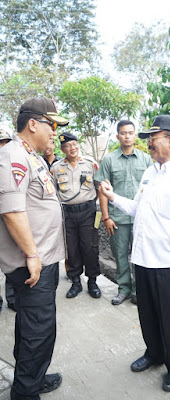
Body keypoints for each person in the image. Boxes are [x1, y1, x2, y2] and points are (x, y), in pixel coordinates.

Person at [99, 115, 170, 392]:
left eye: (152, 139)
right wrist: (112, 197)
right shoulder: (150, 172)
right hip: (144, 259)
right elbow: (137, 208)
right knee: (147, 314)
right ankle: (154, 353)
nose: (147, 145)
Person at [0, 97, 69, 400]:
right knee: (37, 331)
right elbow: (13, 212)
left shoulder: (32, 155)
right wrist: (32, 254)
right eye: (52, 125)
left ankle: (32, 377)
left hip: (42, 260)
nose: (55, 132)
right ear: (33, 124)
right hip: (32, 265)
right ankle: (25, 393)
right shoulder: (13, 156)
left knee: (34, 326)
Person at [94, 120, 151, 305]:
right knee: (120, 256)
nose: (127, 136)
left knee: (141, 256)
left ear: (135, 135)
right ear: (118, 136)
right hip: (117, 218)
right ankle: (124, 289)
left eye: (130, 132)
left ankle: (138, 291)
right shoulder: (109, 160)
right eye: (123, 133)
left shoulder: (146, 159)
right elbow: (103, 191)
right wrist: (106, 217)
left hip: (140, 218)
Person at [51, 131, 101, 299]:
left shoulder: (90, 164)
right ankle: (76, 282)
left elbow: (99, 187)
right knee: (71, 248)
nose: (72, 148)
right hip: (68, 214)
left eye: (74, 144)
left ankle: (92, 281)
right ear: (62, 148)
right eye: (67, 146)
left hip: (88, 212)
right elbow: (54, 193)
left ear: (78, 145)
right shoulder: (56, 168)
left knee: (90, 246)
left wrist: (101, 213)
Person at [0, 128, 16, 312]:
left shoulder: (14, 165)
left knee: (11, 263)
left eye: (5, 142)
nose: (2, 147)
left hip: (9, 222)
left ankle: (12, 299)